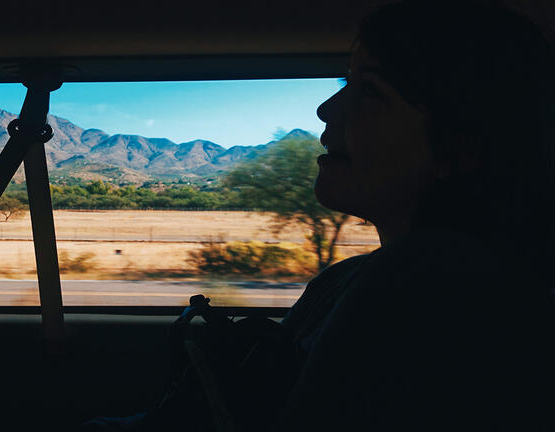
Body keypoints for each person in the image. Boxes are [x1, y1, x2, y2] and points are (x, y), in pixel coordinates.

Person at [84, 1, 555, 430]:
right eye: (345, 83)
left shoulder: (437, 289)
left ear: (462, 145)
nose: (326, 108)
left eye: (369, 90)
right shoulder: (351, 278)